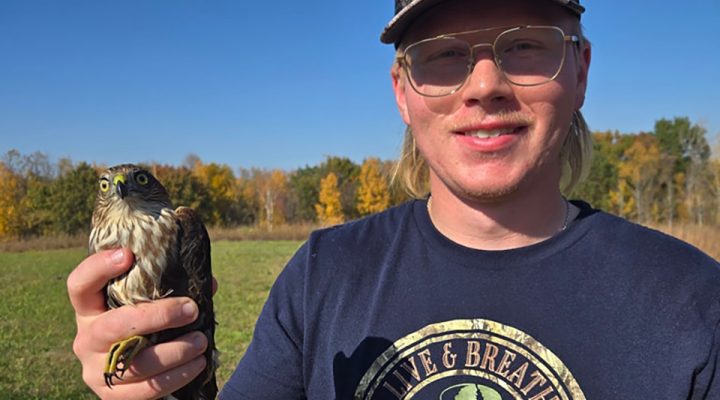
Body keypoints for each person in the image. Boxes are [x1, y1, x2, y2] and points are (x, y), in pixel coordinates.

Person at [67, 0, 720, 398]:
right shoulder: (321, 277)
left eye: (524, 46)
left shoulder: (694, 300)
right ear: (402, 92)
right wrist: (151, 391)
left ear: (578, 70)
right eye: (441, 56)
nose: (484, 85)